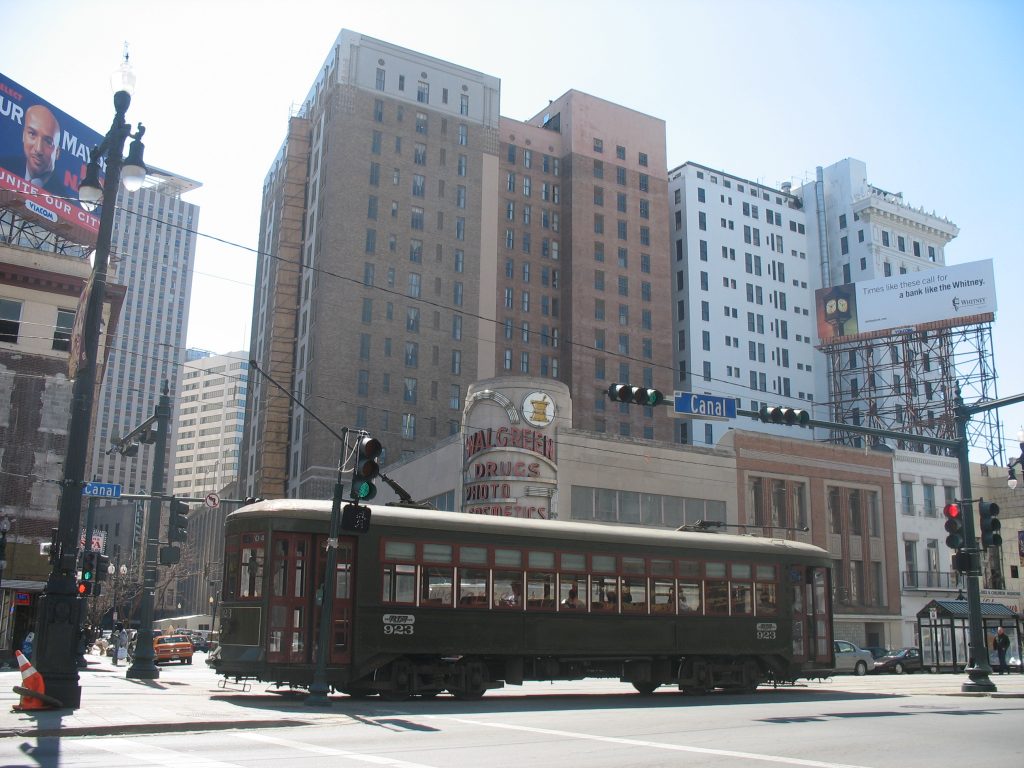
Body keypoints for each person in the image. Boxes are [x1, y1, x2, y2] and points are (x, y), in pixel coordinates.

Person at [2, 105, 64, 196]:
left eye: (48, 141)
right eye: (32, 134)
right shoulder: (4, 165)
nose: (38, 149)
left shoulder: (63, 198)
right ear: (23, 135)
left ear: (57, 152)